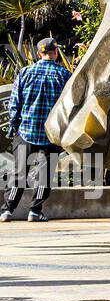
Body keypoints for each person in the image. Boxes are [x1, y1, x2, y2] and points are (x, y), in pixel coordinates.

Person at [3, 38, 72, 223]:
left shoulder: (25, 73)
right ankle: (35, 211)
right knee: (45, 174)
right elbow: (69, 105)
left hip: (26, 131)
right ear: (55, 53)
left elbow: (14, 104)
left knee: (19, 171)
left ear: (39, 53)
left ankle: (7, 210)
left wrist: (14, 125)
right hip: (51, 133)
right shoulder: (64, 75)